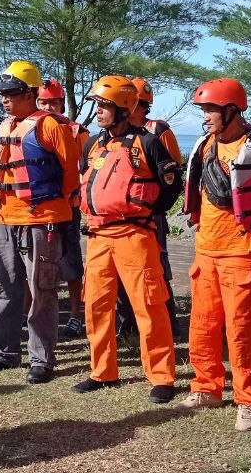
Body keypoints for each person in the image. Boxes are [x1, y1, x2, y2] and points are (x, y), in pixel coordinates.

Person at [175, 79, 251, 432]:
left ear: (231, 111)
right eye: (203, 110)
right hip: (206, 250)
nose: (205, 117)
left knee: (241, 331)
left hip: (240, 252)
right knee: (202, 327)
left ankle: (247, 401)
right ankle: (206, 387)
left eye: (210, 110)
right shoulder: (206, 145)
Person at [72, 75, 182, 404]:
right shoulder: (94, 143)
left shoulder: (147, 142)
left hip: (135, 234)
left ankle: (161, 376)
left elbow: (171, 183)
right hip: (97, 236)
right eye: (97, 105)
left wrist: (147, 212)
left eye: (104, 106)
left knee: (149, 305)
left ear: (123, 109)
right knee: (96, 304)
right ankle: (102, 370)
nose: (99, 111)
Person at [0, 61, 80, 384]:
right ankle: (2, 352)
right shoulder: (5, 126)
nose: (5, 99)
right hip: (4, 218)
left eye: (12, 93)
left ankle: (42, 359)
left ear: (30, 93)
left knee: (43, 290)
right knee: (0, 286)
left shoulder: (51, 126)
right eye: (3, 94)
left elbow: (70, 173)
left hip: (41, 220)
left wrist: (58, 214)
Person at [114, 76, 182, 340]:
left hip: (150, 214)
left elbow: (172, 173)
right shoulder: (115, 135)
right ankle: (126, 326)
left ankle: (169, 326)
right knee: (121, 271)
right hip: (121, 216)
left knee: (157, 269)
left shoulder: (157, 132)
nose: (134, 108)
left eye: (139, 104)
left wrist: (158, 207)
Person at [36, 77, 88, 338]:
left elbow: (83, 168)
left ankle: (76, 315)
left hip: (67, 205)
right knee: (36, 263)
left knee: (70, 262)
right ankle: (35, 312)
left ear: (62, 104)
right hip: (38, 207)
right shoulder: (29, 128)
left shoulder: (77, 131)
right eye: (43, 102)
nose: (48, 107)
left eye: (53, 102)